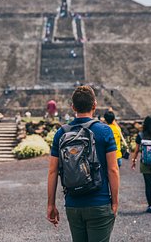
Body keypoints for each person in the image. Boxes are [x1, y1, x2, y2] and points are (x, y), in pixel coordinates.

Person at [47, 86, 119, 242]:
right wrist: (115, 201)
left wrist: (51, 204)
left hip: (73, 204)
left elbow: (53, 171)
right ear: (94, 105)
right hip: (99, 203)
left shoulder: (61, 133)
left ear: (73, 107)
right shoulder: (105, 131)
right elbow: (113, 170)